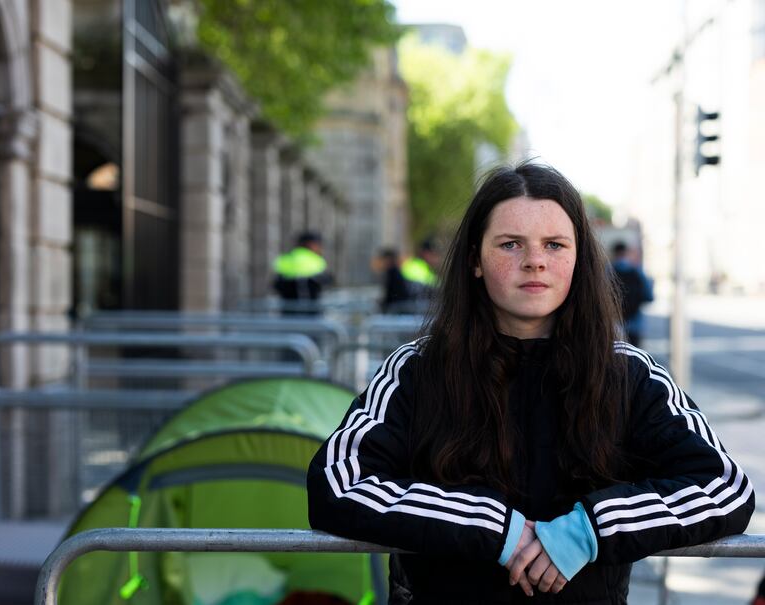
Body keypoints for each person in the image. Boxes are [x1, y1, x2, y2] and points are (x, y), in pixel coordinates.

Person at [307, 163, 754, 604]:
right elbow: (339, 483)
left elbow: (725, 488)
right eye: (510, 244)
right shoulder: (415, 370)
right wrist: (495, 529)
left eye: (555, 244)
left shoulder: (630, 375)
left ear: (579, 260)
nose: (535, 260)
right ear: (475, 261)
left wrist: (590, 529)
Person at [273, 231, 333, 315]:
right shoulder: (315, 260)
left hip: (288, 312)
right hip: (310, 312)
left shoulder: (285, 258)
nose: (320, 247)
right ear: (311, 244)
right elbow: (326, 281)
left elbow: (276, 284)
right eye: (318, 244)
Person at [610, 240, 654, 347]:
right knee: (635, 359)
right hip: (635, 324)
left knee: (615, 361)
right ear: (626, 253)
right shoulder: (637, 271)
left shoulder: (607, 271)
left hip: (615, 325)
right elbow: (649, 296)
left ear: (614, 253)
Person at [373, 248, 414, 314]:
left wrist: (383, 305)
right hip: (400, 306)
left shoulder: (392, 273)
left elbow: (391, 295)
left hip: (398, 308)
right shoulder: (395, 272)